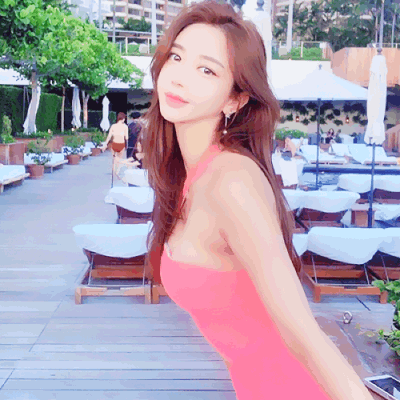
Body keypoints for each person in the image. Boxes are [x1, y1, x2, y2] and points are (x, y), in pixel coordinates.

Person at [141, 2, 375, 399]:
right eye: (176, 57)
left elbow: (302, 331)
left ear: (235, 100)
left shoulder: (233, 180)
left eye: (207, 70)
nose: (180, 76)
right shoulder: (186, 176)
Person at [102, 112, 128, 178]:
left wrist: (105, 144)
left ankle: (114, 171)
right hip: (121, 144)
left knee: (114, 159)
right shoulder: (125, 126)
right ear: (123, 119)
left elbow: (109, 136)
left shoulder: (113, 126)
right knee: (119, 159)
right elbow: (126, 137)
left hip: (114, 144)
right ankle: (117, 172)